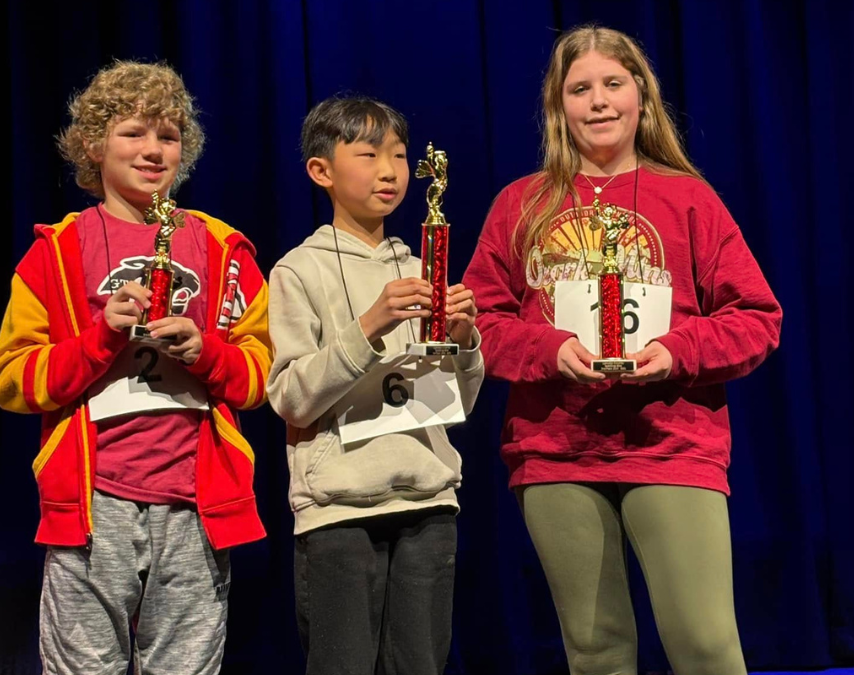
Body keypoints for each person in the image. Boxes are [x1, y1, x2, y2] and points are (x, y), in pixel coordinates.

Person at [463, 25, 782, 675]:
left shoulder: (690, 198)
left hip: (670, 440)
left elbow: (756, 316)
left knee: (705, 643)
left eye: (613, 83)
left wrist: (677, 350)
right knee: (597, 652)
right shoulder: (518, 205)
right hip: (554, 451)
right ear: (559, 106)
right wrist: (548, 348)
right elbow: (480, 322)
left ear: (642, 94)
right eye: (580, 89)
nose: (598, 101)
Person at [0, 60, 272, 673]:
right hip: (94, 505)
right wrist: (99, 338)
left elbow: (260, 378)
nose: (153, 150)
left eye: (168, 137)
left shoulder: (224, 250)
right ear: (93, 144)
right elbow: (10, 378)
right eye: (133, 133)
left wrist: (207, 351)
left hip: (196, 503)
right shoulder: (56, 252)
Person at [267, 95, 484, 674]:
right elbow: (290, 397)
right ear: (322, 171)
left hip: (428, 500)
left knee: (419, 664)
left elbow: (458, 401)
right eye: (368, 154)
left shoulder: (422, 269)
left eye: (400, 156)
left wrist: (464, 342)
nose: (390, 171)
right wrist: (368, 327)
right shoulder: (298, 271)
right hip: (337, 507)